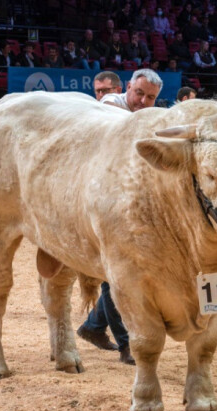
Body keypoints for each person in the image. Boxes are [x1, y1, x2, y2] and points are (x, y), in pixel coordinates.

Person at [79, 70, 163, 365]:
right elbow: (117, 119)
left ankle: (93, 326)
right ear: (127, 87)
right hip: (98, 199)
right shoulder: (112, 103)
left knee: (119, 272)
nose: (143, 101)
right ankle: (126, 344)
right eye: (139, 93)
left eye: (150, 97)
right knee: (113, 273)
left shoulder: (144, 114)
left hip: (126, 200)